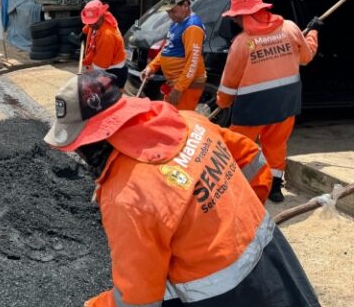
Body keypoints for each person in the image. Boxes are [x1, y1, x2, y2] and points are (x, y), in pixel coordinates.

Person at [44, 70, 317, 307]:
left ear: (95, 140)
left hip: (227, 296)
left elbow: (138, 300)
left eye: (79, 145)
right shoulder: (189, 121)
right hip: (274, 256)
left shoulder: (127, 196)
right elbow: (253, 162)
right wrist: (230, 213)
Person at [217, 0, 320, 202]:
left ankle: (233, 187)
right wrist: (313, 33)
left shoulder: (242, 42)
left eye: (237, 16)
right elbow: (306, 57)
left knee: (238, 146)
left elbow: (229, 82)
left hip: (252, 107)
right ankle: (273, 188)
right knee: (275, 145)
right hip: (285, 103)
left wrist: (222, 102)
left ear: (247, 15)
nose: (235, 21)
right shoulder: (290, 29)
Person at [140, 0, 206, 110]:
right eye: (168, 12)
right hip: (175, 84)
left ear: (185, 5)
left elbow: (193, 61)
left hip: (186, 87)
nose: (170, 16)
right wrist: (151, 67)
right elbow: (167, 48)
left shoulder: (192, 27)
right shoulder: (177, 22)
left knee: (180, 122)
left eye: (173, 11)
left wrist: (179, 88)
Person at [77, 0, 127, 86]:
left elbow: (100, 66)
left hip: (112, 72)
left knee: (107, 98)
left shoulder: (107, 36)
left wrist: (88, 78)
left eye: (94, 21)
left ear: (101, 15)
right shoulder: (99, 21)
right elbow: (89, 26)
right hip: (103, 66)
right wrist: (84, 32)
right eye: (89, 22)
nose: (91, 25)